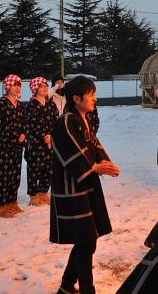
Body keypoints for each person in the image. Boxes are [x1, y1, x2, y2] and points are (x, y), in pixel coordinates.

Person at [51, 75, 120, 294]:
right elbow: (72, 152)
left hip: (87, 185)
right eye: (91, 95)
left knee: (87, 239)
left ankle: (66, 286)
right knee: (86, 240)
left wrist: (104, 162)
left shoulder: (85, 119)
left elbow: (94, 145)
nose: (95, 99)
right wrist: (94, 167)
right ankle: (85, 289)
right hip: (72, 188)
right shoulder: (64, 122)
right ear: (76, 98)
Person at [0, 74, 26, 218]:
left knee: (15, 175)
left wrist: (24, 134)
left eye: (19, 85)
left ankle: (11, 203)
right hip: (3, 146)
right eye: (15, 85)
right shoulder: (2, 104)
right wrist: (14, 135)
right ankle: (1, 206)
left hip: (17, 147)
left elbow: (25, 123)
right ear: (8, 86)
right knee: (3, 176)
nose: (17, 88)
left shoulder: (20, 105)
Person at [24, 76, 58, 206]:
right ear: (35, 88)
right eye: (41, 86)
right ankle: (34, 195)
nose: (44, 88)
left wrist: (52, 135)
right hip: (36, 143)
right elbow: (32, 125)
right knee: (34, 168)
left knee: (49, 168)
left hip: (51, 142)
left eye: (46, 86)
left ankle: (43, 193)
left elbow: (56, 121)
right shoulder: (31, 106)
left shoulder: (51, 104)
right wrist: (45, 136)